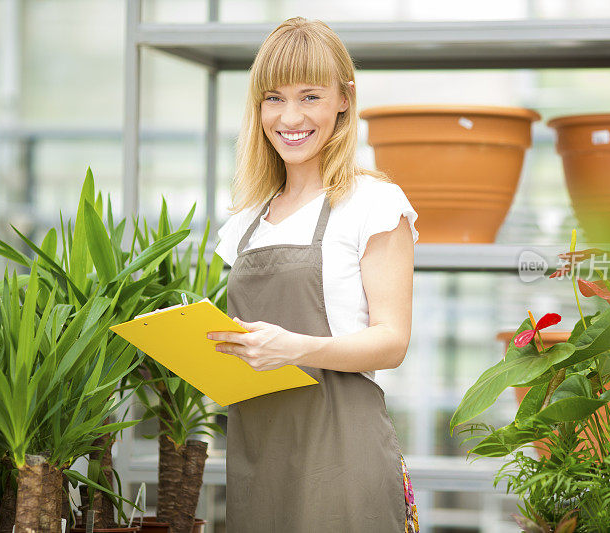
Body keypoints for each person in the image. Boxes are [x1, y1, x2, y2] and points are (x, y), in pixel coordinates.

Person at [208, 16, 420, 533]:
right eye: (274, 98)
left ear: (344, 98)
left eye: (310, 96)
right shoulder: (244, 223)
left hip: (343, 460)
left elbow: (392, 343)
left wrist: (294, 348)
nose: (290, 117)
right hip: (258, 457)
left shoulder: (372, 203)